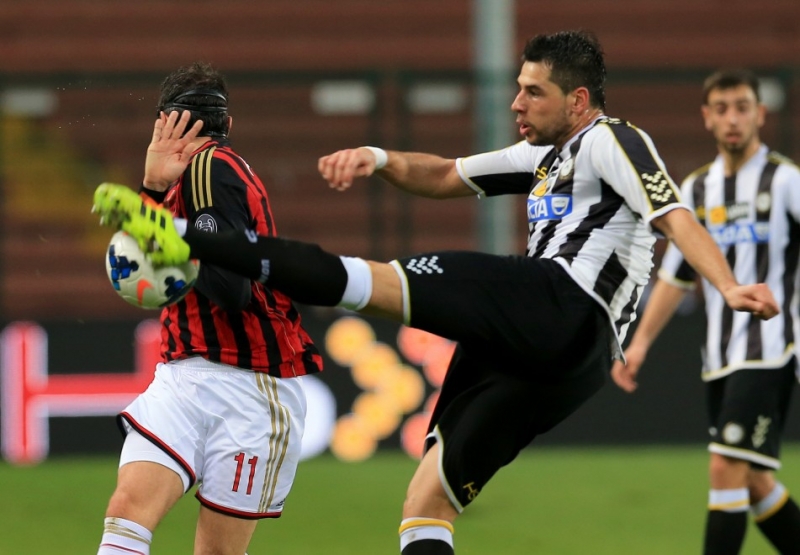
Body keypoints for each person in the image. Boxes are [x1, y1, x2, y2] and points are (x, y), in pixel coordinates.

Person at [93, 32, 780, 555]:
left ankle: (179, 234)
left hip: (560, 299)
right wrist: (379, 158)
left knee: (370, 282)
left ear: (577, 100)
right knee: (427, 501)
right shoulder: (543, 158)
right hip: (571, 364)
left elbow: (672, 213)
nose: (515, 102)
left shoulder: (611, 140)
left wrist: (726, 285)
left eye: (532, 92)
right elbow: (448, 174)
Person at [95, 63, 322, 555]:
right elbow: (164, 261)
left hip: (248, 386)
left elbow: (232, 288)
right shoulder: (183, 177)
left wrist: (172, 243)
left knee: (214, 551)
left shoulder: (211, 169)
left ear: (163, 122)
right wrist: (152, 191)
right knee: (127, 512)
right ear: (228, 123)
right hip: (182, 376)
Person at [611, 69, 800, 554]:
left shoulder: (785, 181)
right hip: (719, 358)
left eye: (742, 108)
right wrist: (640, 343)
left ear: (760, 114)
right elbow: (676, 277)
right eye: (721, 109)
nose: (732, 119)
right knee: (752, 481)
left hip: (770, 350)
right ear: (706, 118)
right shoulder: (695, 190)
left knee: (724, 466)